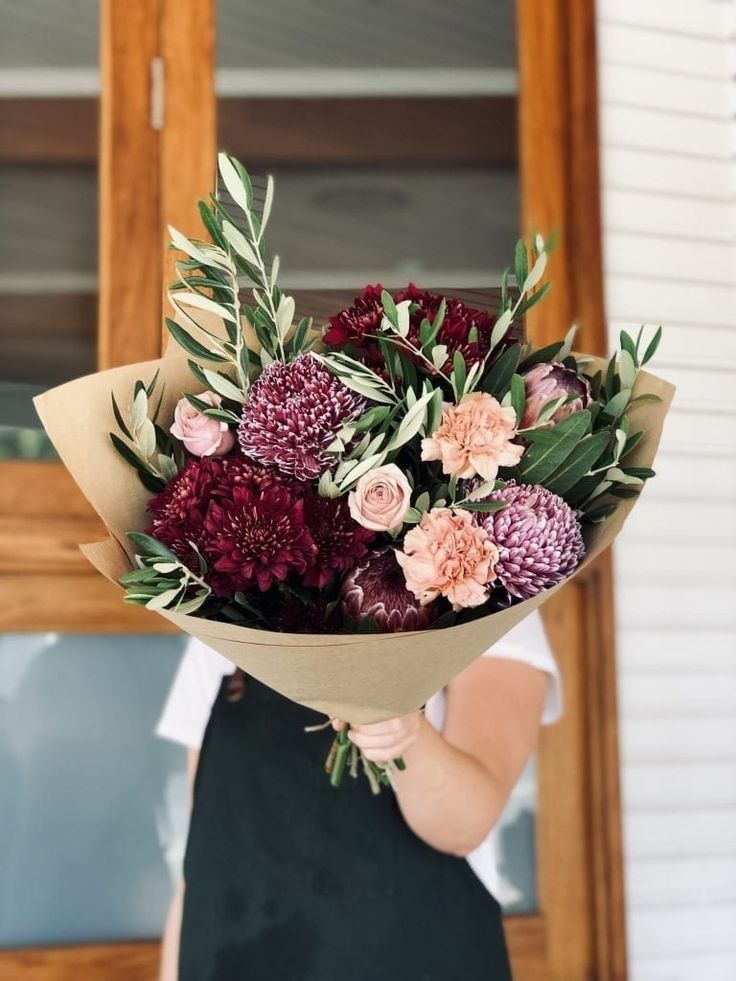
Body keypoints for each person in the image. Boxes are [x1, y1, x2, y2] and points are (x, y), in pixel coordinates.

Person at [158, 610, 561, 981]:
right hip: (230, 959)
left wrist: (403, 729)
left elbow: (464, 824)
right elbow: (202, 849)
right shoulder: (223, 607)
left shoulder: (488, 597)